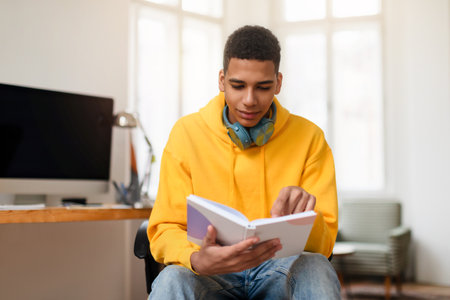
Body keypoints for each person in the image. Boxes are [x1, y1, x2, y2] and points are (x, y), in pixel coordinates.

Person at [147, 25, 340, 299]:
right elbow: (165, 227)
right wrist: (195, 259)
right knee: (172, 280)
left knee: (316, 267)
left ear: (279, 83)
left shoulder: (310, 138)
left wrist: (304, 218)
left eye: (263, 87)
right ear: (221, 80)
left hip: (278, 269)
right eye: (238, 86)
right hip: (210, 273)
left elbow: (325, 244)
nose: (249, 100)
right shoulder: (186, 133)